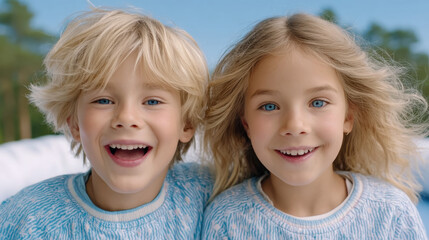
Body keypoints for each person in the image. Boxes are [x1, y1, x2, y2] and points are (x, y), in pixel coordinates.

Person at [202, 13, 428, 239]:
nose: (295, 125)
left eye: (318, 102)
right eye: (269, 106)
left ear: (348, 117)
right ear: (246, 124)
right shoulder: (227, 219)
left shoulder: (391, 213)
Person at [0, 8, 212, 239]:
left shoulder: (209, 195)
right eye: (103, 100)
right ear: (75, 124)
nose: (127, 118)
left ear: (187, 124)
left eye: (152, 101)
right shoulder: (26, 219)